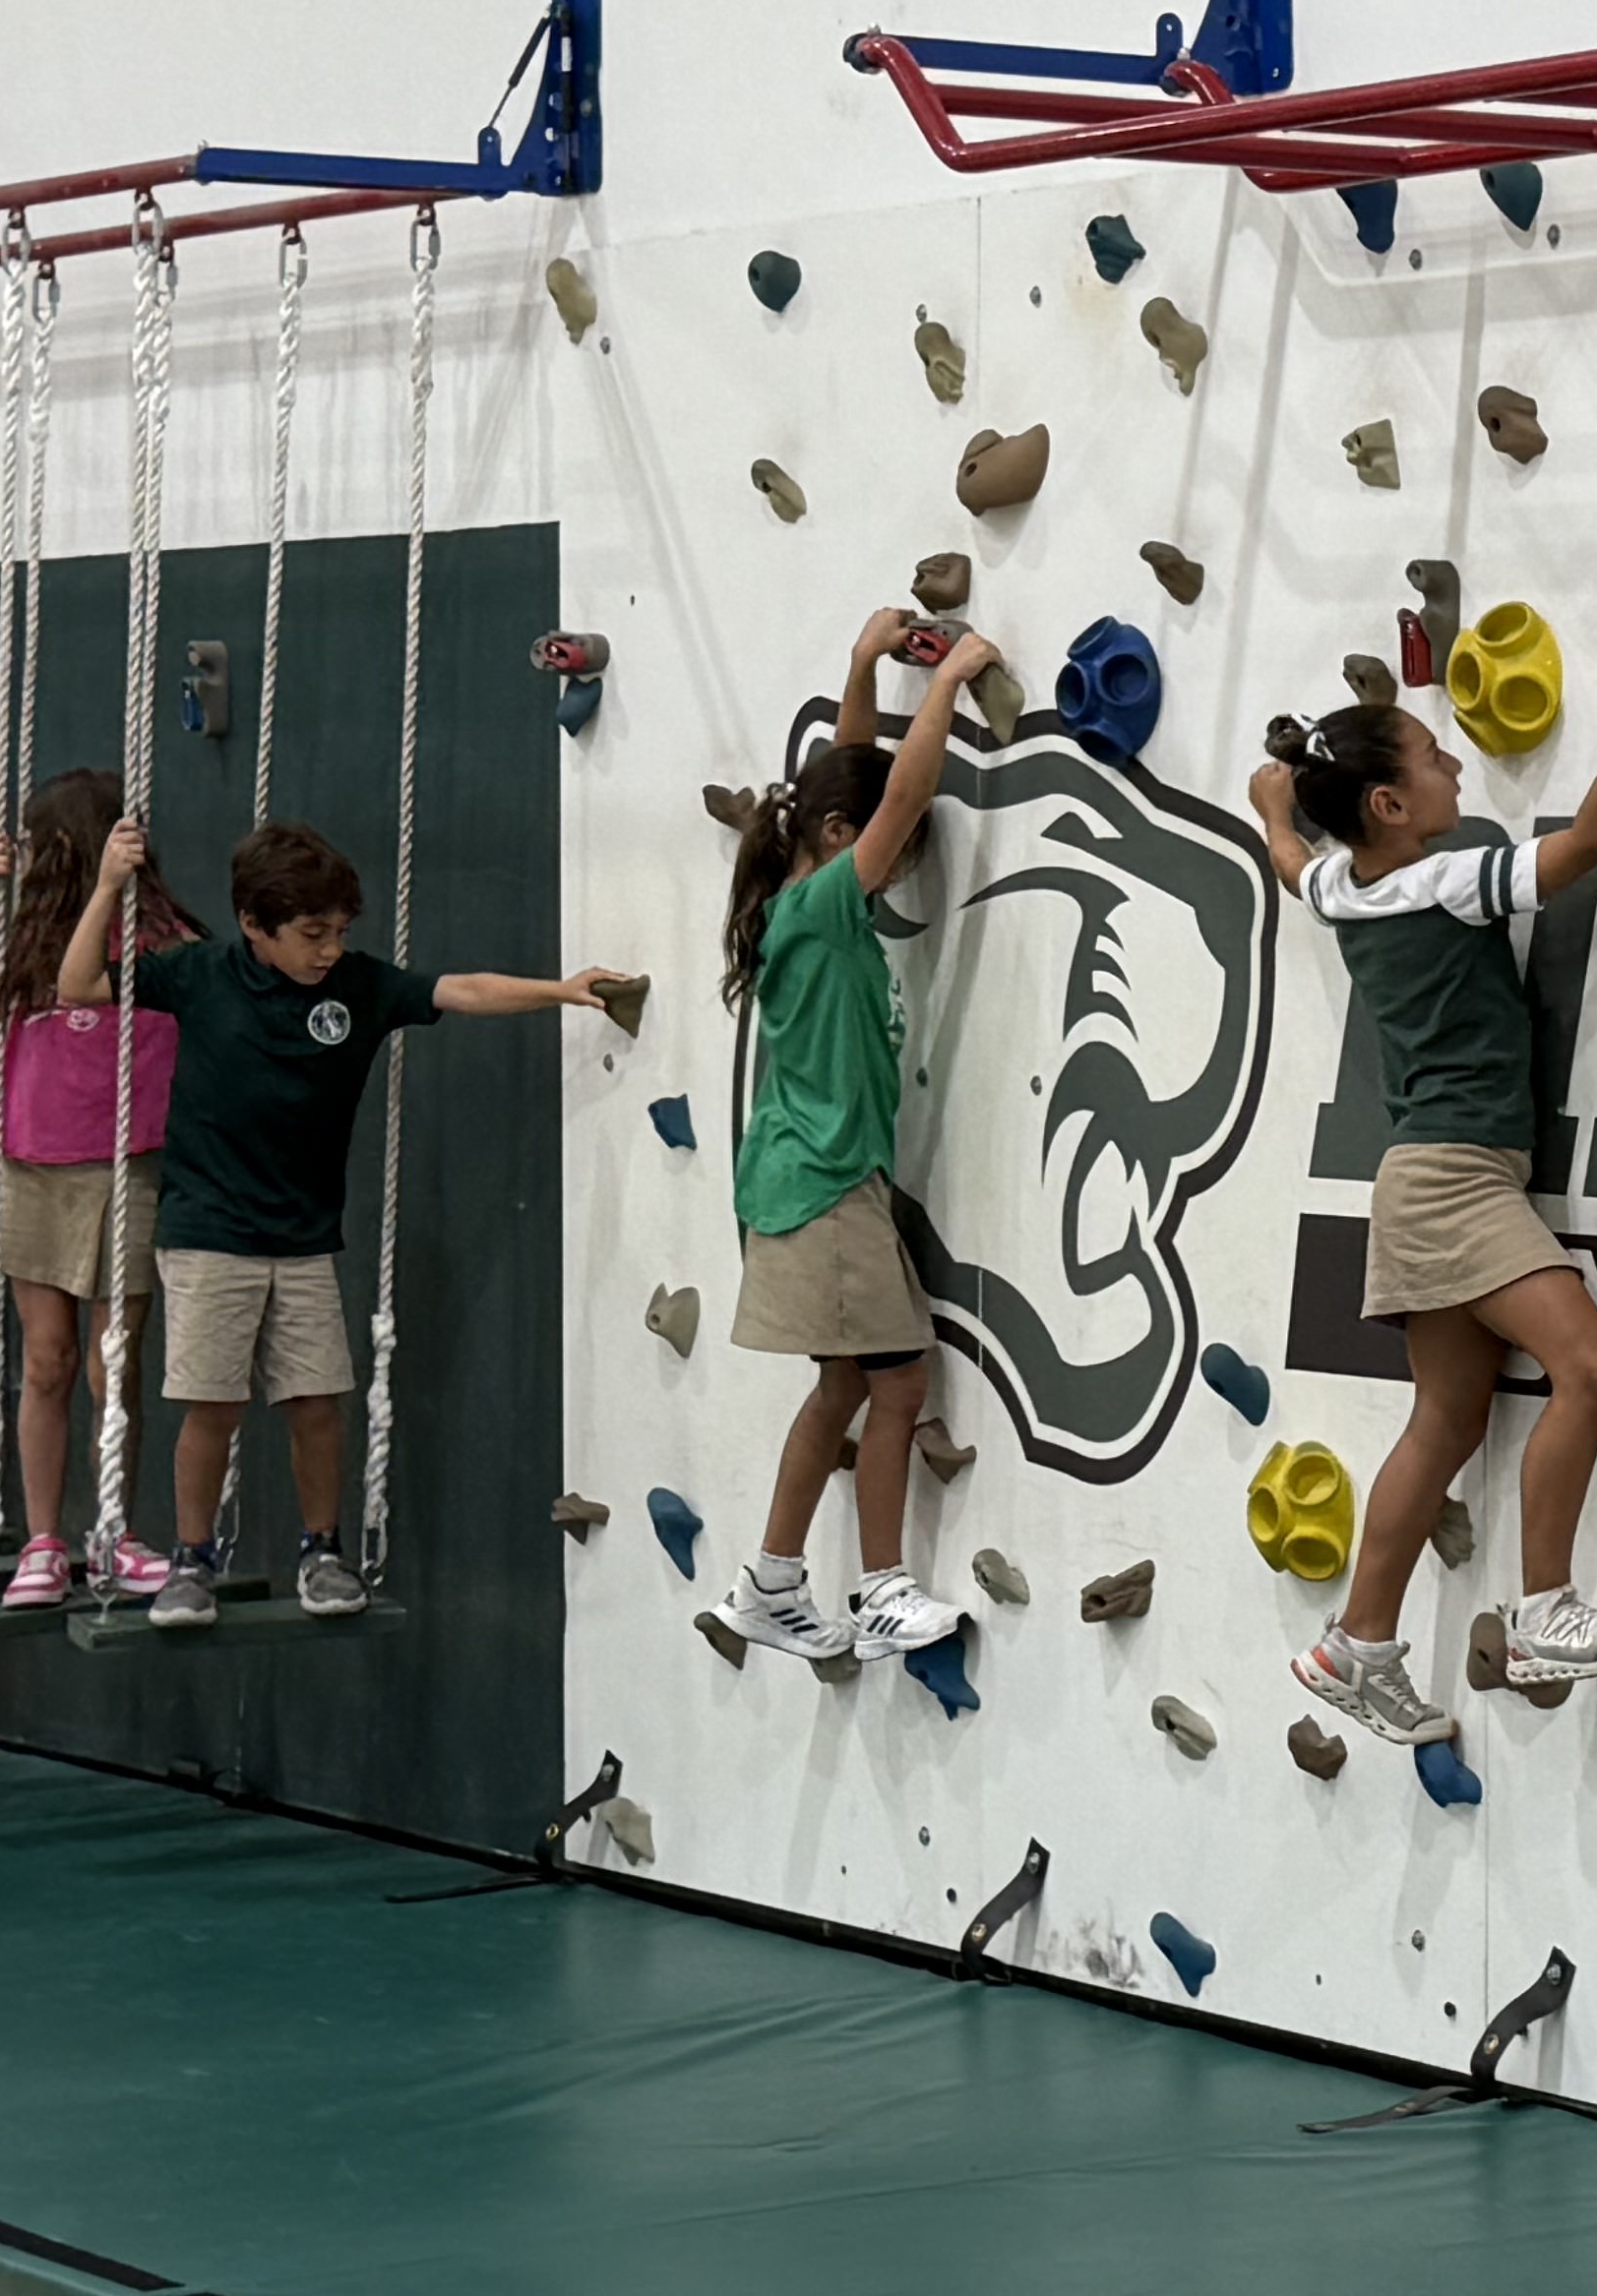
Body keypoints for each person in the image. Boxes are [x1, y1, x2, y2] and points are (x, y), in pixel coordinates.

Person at [1248, 636, 1597, 1746]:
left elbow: (1295, 866)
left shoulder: (1347, 888)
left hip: (1424, 1174)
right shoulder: (1446, 883)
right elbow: (1591, 842)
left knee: (1445, 1419)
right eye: (1435, 759)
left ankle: (1356, 1645)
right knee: (1589, 1367)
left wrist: (1274, 811)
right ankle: (1543, 1613)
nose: (1456, 768)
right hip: (1454, 1179)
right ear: (1390, 805)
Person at [62, 815, 629, 1624]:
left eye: (339, 932)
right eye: (311, 934)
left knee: (317, 1402)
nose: (329, 948)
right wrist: (108, 886)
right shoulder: (200, 974)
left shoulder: (357, 986)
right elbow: (79, 985)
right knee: (212, 1407)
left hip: (302, 1242)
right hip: (208, 1236)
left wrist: (560, 990)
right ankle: (191, 1562)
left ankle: (322, 1553)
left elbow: (458, 990)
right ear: (255, 926)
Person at [699, 615, 994, 1676]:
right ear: (839, 840)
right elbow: (895, 795)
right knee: (896, 1384)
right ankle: (876, 1588)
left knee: (849, 1388)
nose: (900, 866)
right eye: (891, 854)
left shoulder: (809, 895)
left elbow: (853, 777)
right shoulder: (823, 906)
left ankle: (775, 1584)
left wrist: (865, 667)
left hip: (816, 1181)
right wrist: (950, 682)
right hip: (824, 1186)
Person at [0, 768, 196, 1607]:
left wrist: (110, 887)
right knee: (47, 1360)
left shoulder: (161, 936)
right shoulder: (27, 936)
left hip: (127, 1165)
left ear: (63, 844)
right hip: (34, 1165)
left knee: (111, 1364)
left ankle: (115, 1533)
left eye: (35, 843)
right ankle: (43, 1541)